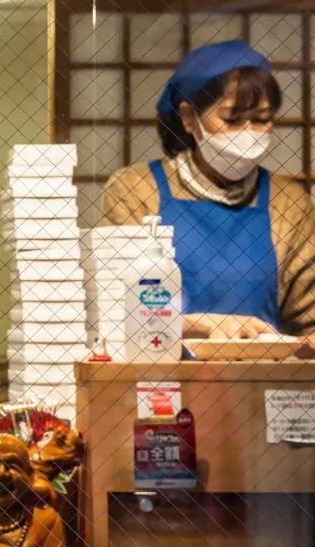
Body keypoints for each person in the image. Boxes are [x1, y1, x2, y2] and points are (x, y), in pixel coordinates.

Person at [101, 38, 315, 348]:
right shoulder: (136, 190)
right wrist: (199, 325)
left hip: (257, 380)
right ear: (189, 117)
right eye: (231, 120)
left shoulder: (288, 202)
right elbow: (116, 307)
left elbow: (308, 315)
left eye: (261, 119)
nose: (248, 132)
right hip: (163, 379)